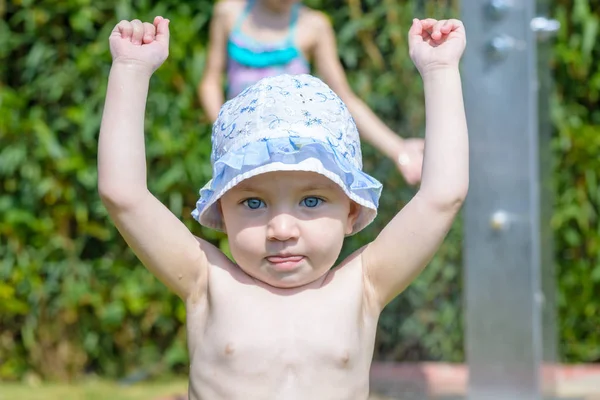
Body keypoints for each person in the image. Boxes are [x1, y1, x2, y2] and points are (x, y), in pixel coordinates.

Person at [99, 14, 468, 400]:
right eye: (253, 202)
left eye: (311, 200)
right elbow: (124, 194)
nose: (282, 229)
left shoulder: (364, 286)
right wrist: (130, 69)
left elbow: (441, 197)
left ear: (352, 212)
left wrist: (440, 70)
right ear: (222, 212)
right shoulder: (206, 281)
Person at [198, 0, 425, 185]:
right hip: (241, 153)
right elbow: (210, 82)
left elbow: (344, 99)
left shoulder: (314, 26)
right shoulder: (228, 13)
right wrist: (226, 134)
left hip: (296, 155)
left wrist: (398, 148)